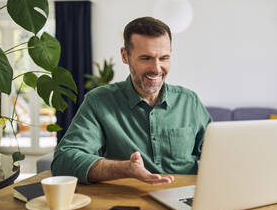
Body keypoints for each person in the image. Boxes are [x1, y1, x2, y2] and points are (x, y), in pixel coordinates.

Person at [51, 17, 212, 185]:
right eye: (146, 58)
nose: (156, 69)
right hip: (127, 201)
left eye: (164, 58)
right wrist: (124, 169)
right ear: (125, 55)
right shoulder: (99, 101)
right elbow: (64, 161)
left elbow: (218, 154)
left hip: (187, 202)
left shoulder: (189, 101)